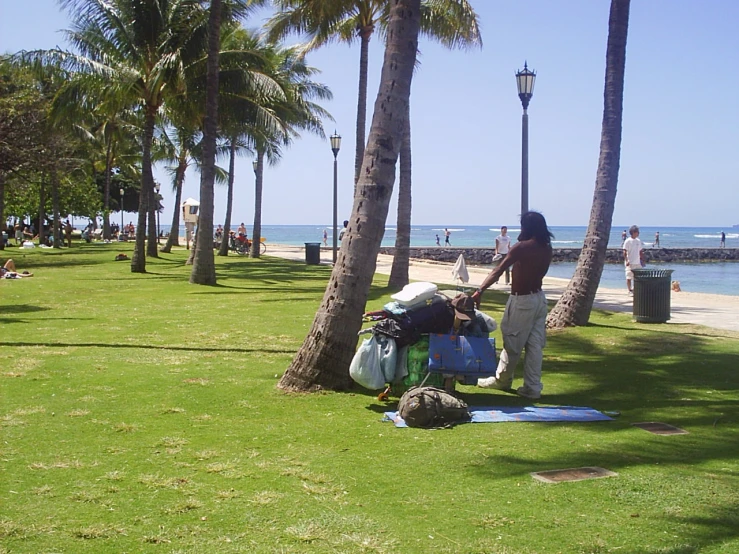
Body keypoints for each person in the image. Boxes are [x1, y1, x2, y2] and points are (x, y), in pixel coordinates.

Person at [472, 211, 553, 400]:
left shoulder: (522, 247)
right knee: (534, 345)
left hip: (522, 300)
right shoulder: (546, 247)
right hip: (539, 299)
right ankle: (533, 387)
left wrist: (479, 290)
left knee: (512, 340)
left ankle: (502, 380)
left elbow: (499, 270)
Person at [623, 225, 645, 295]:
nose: (638, 233)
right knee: (629, 277)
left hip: (637, 262)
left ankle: (635, 289)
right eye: (637, 232)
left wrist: (642, 260)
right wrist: (627, 260)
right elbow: (625, 251)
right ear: (633, 232)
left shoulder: (638, 241)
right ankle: (629, 290)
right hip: (630, 262)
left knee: (638, 277)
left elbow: (640, 251)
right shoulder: (628, 241)